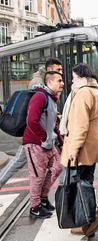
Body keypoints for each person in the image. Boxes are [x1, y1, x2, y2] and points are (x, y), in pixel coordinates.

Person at [60, 63, 98, 237]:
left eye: (73, 77)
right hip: (93, 144)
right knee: (86, 182)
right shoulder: (95, 91)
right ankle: (87, 224)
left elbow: (80, 125)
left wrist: (74, 149)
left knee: (79, 184)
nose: (71, 80)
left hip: (83, 147)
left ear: (79, 77)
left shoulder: (82, 94)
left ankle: (93, 215)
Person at [0, 59, 63, 189]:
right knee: (20, 162)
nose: (61, 74)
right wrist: (44, 136)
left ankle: (42, 198)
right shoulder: (38, 83)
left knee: (53, 165)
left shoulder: (49, 82)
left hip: (42, 134)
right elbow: (34, 114)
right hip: (34, 135)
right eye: (58, 70)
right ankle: (39, 200)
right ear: (50, 69)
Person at [23, 71, 64, 219]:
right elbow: (31, 120)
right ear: (49, 82)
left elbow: (53, 124)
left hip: (48, 143)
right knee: (37, 176)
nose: (62, 83)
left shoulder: (52, 99)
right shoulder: (39, 97)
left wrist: (60, 140)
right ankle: (34, 207)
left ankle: (43, 198)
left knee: (58, 167)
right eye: (59, 80)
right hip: (35, 143)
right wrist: (43, 137)